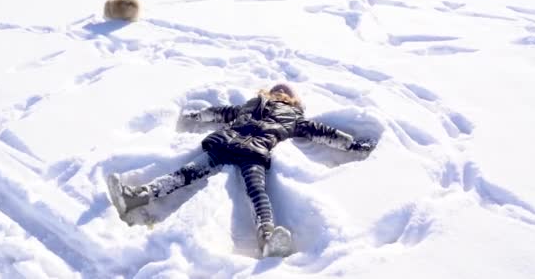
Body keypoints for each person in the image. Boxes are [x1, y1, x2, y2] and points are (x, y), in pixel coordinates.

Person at [107, 83, 376, 257]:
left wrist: (352, 145)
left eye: (288, 93)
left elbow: (322, 132)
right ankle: (137, 196)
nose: (282, 94)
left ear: (294, 101)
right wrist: (195, 117)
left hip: (254, 152)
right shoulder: (251, 104)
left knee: (257, 191)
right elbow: (222, 112)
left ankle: (268, 236)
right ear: (269, 92)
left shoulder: (295, 118)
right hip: (226, 142)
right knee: (187, 172)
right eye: (278, 90)